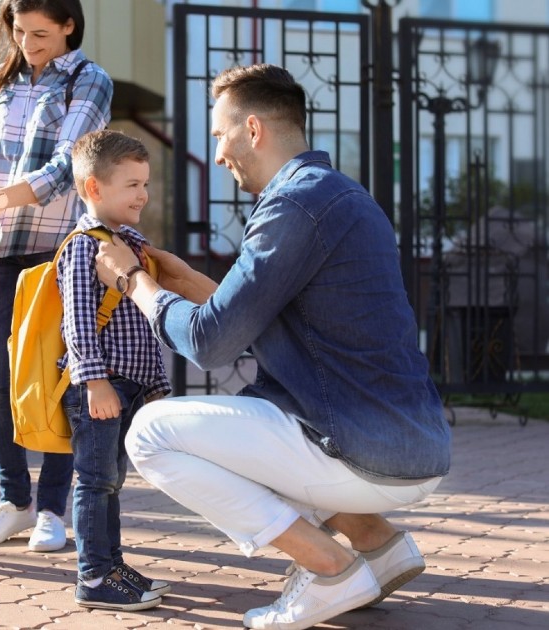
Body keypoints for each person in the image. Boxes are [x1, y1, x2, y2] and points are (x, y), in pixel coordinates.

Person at [93, 63, 452, 630]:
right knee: (247, 425)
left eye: (219, 137)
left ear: (253, 129)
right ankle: (379, 545)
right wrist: (184, 280)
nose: (217, 155)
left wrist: (132, 282)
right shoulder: (341, 195)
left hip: (364, 448)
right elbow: (262, 322)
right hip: (411, 442)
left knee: (152, 434)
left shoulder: (292, 207)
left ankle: (330, 567)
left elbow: (211, 343)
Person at [0, 0, 113, 553]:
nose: (28, 43)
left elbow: (66, 169)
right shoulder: (2, 77)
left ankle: (52, 510)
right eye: (19, 31)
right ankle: (13, 501)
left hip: (53, 250)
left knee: (54, 378)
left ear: (69, 26)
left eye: (41, 33)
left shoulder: (91, 81)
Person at [59, 130, 172, 611]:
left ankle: (112, 564)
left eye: (145, 183)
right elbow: (78, 320)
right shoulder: (85, 247)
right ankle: (93, 575)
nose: (143, 194)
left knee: (112, 481)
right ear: (93, 189)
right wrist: (95, 380)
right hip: (99, 387)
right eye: (131, 184)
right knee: (94, 481)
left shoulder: (131, 244)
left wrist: (154, 385)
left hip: (125, 388)